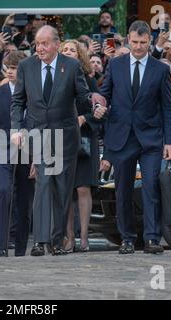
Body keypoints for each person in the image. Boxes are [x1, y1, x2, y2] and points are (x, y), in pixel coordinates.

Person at [10, 26, 106, 256]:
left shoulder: (71, 66)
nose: (40, 48)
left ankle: (56, 239)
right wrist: (16, 128)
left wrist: (95, 106)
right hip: (38, 134)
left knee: (63, 189)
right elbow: (18, 101)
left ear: (56, 44)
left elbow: (82, 97)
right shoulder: (26, 66)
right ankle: (40, 241)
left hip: (66, 135)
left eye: (44, 43)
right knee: (43, 184)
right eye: (37, 43)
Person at [97, 20, 171, 255]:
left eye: (143, 42)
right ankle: (127, 238)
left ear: (150, 41)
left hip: (151, 138)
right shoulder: (116, 65)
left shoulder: (160, 69)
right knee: (123, 190)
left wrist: (169, 141)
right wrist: (98, 106)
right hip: (122, 137)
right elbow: (104, 94)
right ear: (128, 40)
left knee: (151, 187)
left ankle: (152, 238)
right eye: (134, 42)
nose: (139, 47)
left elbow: (167, 108)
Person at [0, 51, 34, 257]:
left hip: (29, 152)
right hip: (1, 150)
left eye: (15, 68)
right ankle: (0, 246)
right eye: (8, 68)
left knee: (24, 199)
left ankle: (21, 247)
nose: (11, 72)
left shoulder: (36, 93)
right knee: (3, 191)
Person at [60, 40, 101, 253]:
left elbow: (101, 109)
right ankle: (69, 237)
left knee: (83, 189)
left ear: (80, 55)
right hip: (63, 140)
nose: (68, 53)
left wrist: (85, 118)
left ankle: (84, 237)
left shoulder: (89, 79)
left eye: (71, 50)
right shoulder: (56, 78)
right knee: (66, 190)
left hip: (85, 139)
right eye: (64, 50)